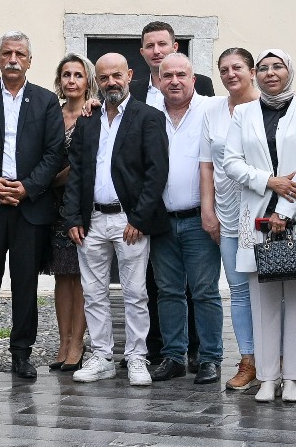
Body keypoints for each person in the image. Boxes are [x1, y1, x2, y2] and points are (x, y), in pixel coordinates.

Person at [219, 49, 296, 402]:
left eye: (277, 66)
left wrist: (285, 209)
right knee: (261, 299)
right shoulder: (244, 113)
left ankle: (293, 378)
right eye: (263, 68)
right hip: (256, 214)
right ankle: (266, 378)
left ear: (289, 70)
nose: (270, 73)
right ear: (255, 74)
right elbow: (231, 161)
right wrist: (269, 181)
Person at [65, 52, 169, 385]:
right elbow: (77, 171)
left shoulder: (148, 117)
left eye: (116, 76)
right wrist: (73, 217)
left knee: (135, 291)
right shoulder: (88, 118)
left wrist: (140, 217)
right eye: (104, 77)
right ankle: (102, 356)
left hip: (129, 221)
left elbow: (157, 173)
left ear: (129, 75)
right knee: (93, 292)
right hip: (92, 219)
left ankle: (137, 357)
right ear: (98, 81)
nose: (111, 82)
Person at [0, 33, 65, 381]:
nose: (12, 59)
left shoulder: (46, 101)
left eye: (19, 54)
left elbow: (55, 153)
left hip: (29, 206)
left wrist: (27, 187)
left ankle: (21, 354)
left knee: (25, 285)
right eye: (6, 53)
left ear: (29, 61)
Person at [148, 52, 224, 384]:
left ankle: (209, 358)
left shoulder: (213, 108)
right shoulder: (149, 116)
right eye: (168, 76)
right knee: (167, 291)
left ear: (194, 79)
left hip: (200, 218)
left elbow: (253, 101)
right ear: (158, 81)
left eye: (182, 75)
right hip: (161, 221)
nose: (175, 81)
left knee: (204, 290)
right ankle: (174, 356)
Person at [208, 47, 261, 392]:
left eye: (237, 67)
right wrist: (207, 209)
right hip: (227, 214)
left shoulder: (270, 106)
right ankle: (248, 360)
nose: (230, 74)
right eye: (224, 69)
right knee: (239, 291)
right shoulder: (211, 110)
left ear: (252, 70)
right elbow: (205, 164)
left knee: (271, 289)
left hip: (263, 212)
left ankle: (279, 358)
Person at [47, 53, 94, 374]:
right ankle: (63, 343)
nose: (72, 80)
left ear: (88, 81)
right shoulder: (51, 114)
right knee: (61, 277)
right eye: (67, 75)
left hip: (82, 206)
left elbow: (84, 167)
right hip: (51, 208)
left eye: (78, 75)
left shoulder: (94, 116)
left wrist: (51, 176)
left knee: (83, 278)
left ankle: (78, 344)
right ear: (59, 81)